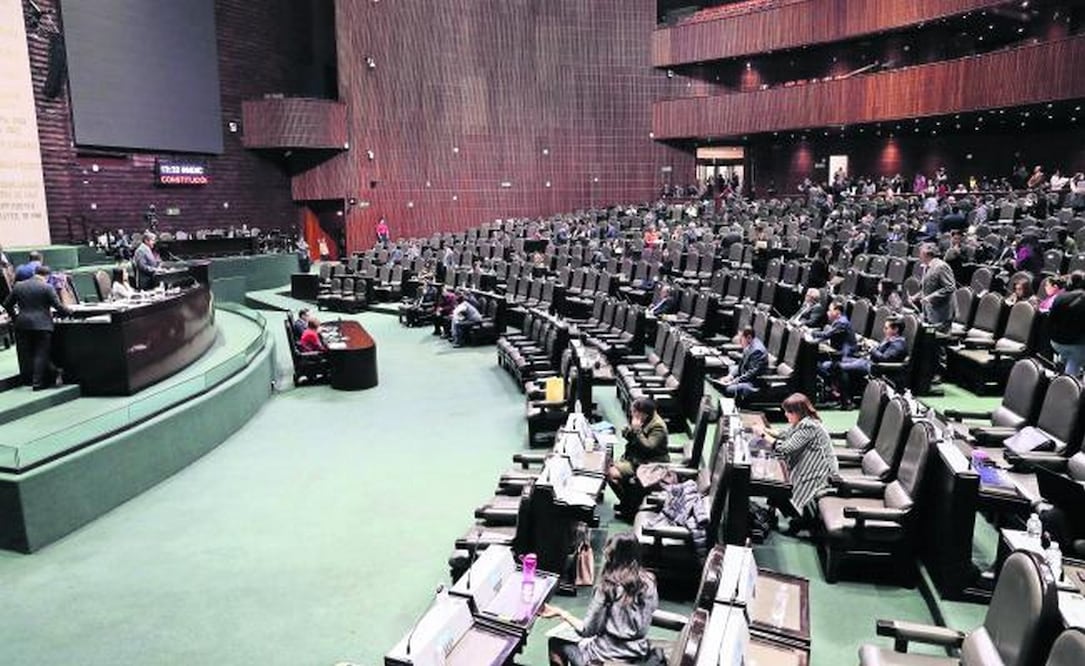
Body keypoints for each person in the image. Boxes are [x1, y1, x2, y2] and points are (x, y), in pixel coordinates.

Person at [542, 532, 658, 666]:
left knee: (556, 643)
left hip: (605, 657)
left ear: (612, 556)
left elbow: (587, 630)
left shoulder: (608, 587)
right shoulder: (649, 582)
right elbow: (652, 609)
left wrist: (562, 613)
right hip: (638, 654)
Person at [753, 393, 837, 535]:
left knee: (781, 487)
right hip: (811, 466)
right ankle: (783, 516)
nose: (786, 415)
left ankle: (800, 520)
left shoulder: (809, 426)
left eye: (788, 412)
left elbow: (785, 448)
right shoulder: (804, 422)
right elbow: (785, 434)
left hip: (820, 472)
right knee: (778, 482)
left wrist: (762, 435)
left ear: (798, 412)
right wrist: (766, 430)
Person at [2, 265, 72, 390]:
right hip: (42, 325)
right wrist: (70, 312)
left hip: (22, 325)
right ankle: (37, 382)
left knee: (31, 353)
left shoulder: (19, 286)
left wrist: (15, 317)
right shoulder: (47, 287)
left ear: (35, 273)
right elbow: (58, 307)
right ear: (47, 276)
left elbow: (7, 304)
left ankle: (53, 372)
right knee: (41, 353)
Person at [607, 398, 669, 518]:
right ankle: (627, 504)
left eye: (634, 411)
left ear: (643, 414)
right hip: (637, 459)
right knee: (609, 468)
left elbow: (649, 447)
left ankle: (630, 509)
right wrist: (628, 432)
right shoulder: (645, 419)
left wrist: (637, 430)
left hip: (650, 465)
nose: (632, 413)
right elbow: (634, 440)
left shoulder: (658, 427)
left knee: (610, 473)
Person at [837, 320, 909, 407]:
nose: (884, 330)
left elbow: (884, 359)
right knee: (841, 360)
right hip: (867, 361)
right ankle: (845, 398)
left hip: (874, 367)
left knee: (839, 366)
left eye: (886, 328)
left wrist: (871, 349)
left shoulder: (898, 344)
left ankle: (845, 400)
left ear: (895, 329)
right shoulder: (890, 339)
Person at [714, 327, 768, 405]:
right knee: (730, 369)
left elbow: (751, 374)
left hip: (754, 383)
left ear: (749, 337)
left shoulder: (757, 351)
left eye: (741, 340)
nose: (740, 343)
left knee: (728, 389)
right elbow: (741, 365)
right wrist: (730, 376)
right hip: (745, 376)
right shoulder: (750, 345)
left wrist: (735, 381)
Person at [812, 301, 857, 395]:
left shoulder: (842, 322)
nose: (828, 312)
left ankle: (832, 384)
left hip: (844, 354)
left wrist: (812, 333)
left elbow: (827, 335)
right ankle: (831, 385)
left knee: (815, 362)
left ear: (837, 311)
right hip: (838, 351)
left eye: (830, 310)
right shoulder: (839, 321)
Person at [1049, 273, 1085, 376]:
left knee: (1069, 353)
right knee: (1075, 358)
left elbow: (1051, 320)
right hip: (1076, 346)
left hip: (1056, 343)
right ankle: (1067, 385)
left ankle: (1061, 365)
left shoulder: (1060, 296)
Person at [915, 243, 956, 333]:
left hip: (940, 313)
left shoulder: (941, 266)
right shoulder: (927, 266)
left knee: (937, 341)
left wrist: (930, 298)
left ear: (926, 253)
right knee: (929, 339)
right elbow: (929, 287)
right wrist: (917, 296)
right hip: (929, 312)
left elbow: (950, 287)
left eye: (920, 253)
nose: (919, 256)